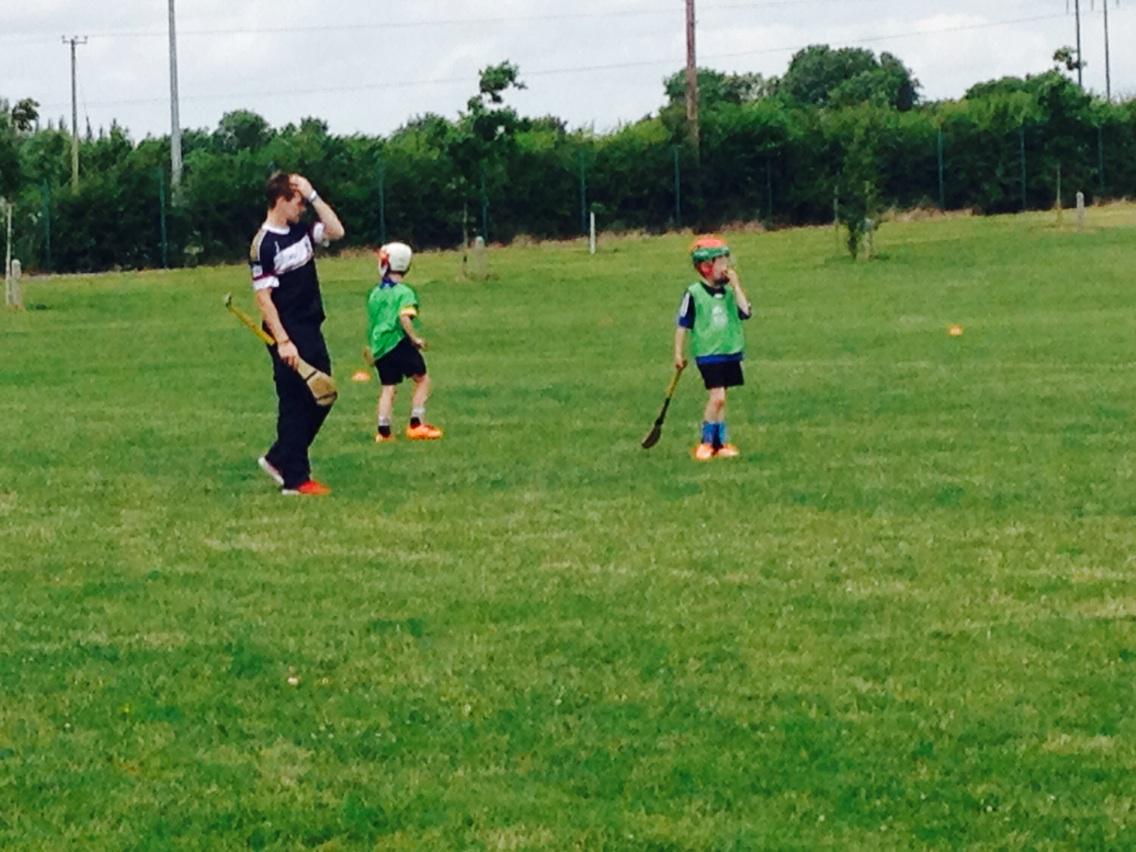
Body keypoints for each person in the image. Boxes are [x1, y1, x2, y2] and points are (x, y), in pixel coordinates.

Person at [249, 172, 345, 495]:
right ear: (280, 201)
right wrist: (284, 342)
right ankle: (295, 480)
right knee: (294, 402)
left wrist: (314, 194)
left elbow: (336, 230)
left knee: (323, 394)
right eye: (298, 201)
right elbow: (264, 299)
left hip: (311, 326)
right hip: (287, 333)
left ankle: (280, 457)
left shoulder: (300, 230)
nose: (302, 207)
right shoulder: (263, 245)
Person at [673, 235, 753, 461]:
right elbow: (682, 325)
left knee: (722, 399)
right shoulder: (694, 293)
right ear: (706, 267)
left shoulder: (730, 292)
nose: (726, 267)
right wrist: (678, 353)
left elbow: (745, 311)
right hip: (709, 354)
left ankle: (721, 443)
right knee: (716, 397)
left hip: (730, 351)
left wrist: (736, 286)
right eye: (721, 262)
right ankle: (706, 442)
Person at [366, 241, 443, 443]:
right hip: (398, 342)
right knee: (422, 379)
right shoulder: (404, 292)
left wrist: (373, 348)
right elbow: (403, 317)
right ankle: (417, 424)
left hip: (381, 346)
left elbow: (373, 321)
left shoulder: (376, 293)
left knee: (388, 387)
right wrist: (414, 338)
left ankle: (383, 432)